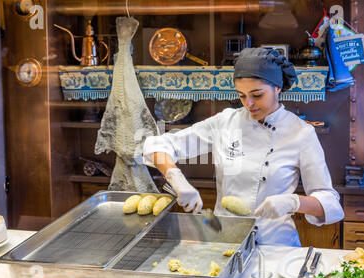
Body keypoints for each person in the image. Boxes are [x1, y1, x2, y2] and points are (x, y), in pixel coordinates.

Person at [142, 48, 344, 246]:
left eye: (257, 95)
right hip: (226, 240)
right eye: (241, 95)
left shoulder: (301, 133)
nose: (249, 104)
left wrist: (294, 202)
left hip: (275, 244)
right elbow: (157, 146)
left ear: (277, 88)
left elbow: (330, 202)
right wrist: (175, 178)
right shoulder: (225, 122)